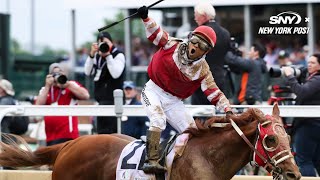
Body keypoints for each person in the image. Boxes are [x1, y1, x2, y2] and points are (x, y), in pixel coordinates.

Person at [136, 6, 232, 173]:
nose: (194, 47)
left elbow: (214, 93)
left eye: (201, 45)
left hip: (173, 100)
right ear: (189, 38)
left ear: (207, 51)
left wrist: (228, 109)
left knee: (192, 131)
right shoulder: (171, 44)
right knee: (158, 120)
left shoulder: (203, 70)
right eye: (194, 41)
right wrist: (146, 18)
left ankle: (184, 164)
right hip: (152, 90)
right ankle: (151, 161)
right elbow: (156, 34)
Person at [282, 54, 320, 177]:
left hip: (309, 124)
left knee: (303, 160)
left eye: (313, 63)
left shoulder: (317, 79)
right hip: (314, 124)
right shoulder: (313, 78)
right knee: (316, 160)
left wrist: (290, 76)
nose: (309, 65)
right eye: (308, 62)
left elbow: (302, 92)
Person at [36, 63, 90, 146]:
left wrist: (67, 85)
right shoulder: (46, 89)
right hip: (51, 136)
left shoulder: (71, 85)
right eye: (54, 74)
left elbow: (86, 95)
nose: (57, 76)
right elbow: (38, 106)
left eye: (60, 73)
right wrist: (47, 86)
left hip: (68, 135)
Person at [84, 32, 126, 134]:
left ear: (111, 42)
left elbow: (115, 74)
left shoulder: (118, 55)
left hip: (114, 101)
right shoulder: (97, 57)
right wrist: (91, 55)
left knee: (114, 134)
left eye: (106, 43)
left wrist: (108, 56)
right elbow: (87, 72)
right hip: (100, 101)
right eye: (101, 43)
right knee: (101, 133)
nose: (104, 45)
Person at [191, 2, 231, 105]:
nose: (195, 18)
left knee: (200, 116)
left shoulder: (198, 32)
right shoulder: (226, 33)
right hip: (219, 80)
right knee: (217, 117)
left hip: (201, 82)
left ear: (203, 16)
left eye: (196, 15)